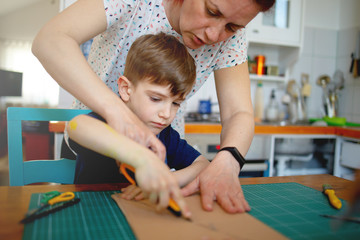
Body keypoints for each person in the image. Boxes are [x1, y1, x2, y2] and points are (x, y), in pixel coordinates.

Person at [32, 0, 275, 213]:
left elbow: (238, 113)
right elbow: (51, 42)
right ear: (125, 88)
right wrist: (124, 125)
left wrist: (226, 162)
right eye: (212, 11)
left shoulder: (165, 137)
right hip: (96, 149)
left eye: (232, 27)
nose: (214, 36)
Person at [67, 33, 209, 217]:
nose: (166, 114)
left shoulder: (165, 135)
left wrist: (168, 180)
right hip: (93, 216)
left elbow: (203, 164)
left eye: (175, 103)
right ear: (126, 90)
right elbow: (77, 126)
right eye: (156, 98)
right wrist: (141, 158)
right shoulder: (109, 122)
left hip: (140, 218)